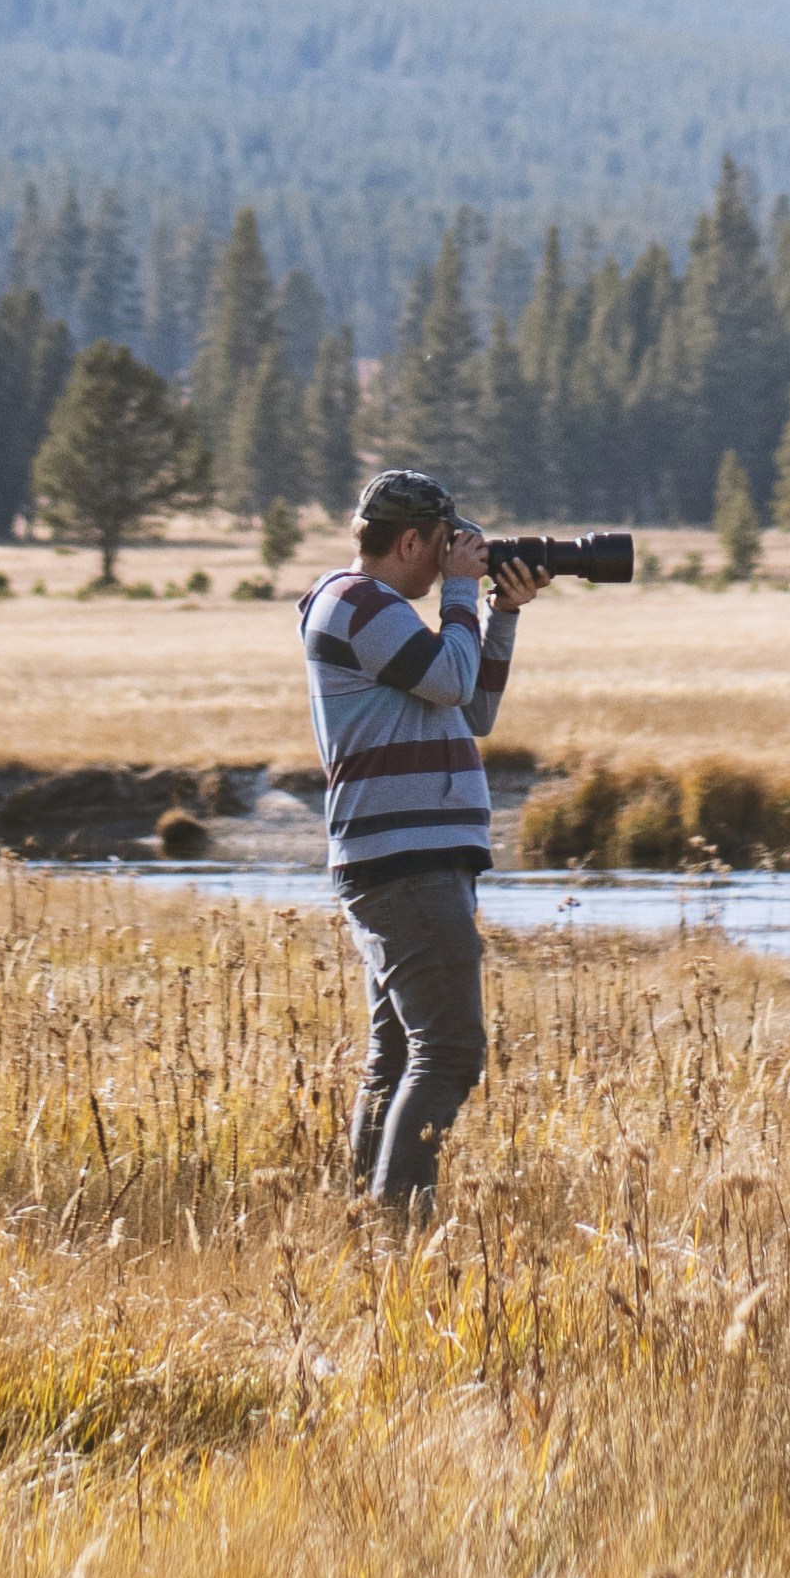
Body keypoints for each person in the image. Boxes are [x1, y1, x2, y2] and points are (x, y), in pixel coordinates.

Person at [298, 456, 529, 1218]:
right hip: (405, 862)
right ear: (409, 542)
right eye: (444, 545)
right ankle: (396, 1226)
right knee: (450, 1052)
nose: (450, 558)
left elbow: (472, 708)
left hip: (408, 858)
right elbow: (453, 680)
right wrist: (462, 594)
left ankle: (367, 1221)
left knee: (399, 1054)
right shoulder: (356, 603)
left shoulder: (375, 614)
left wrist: (502, 613)